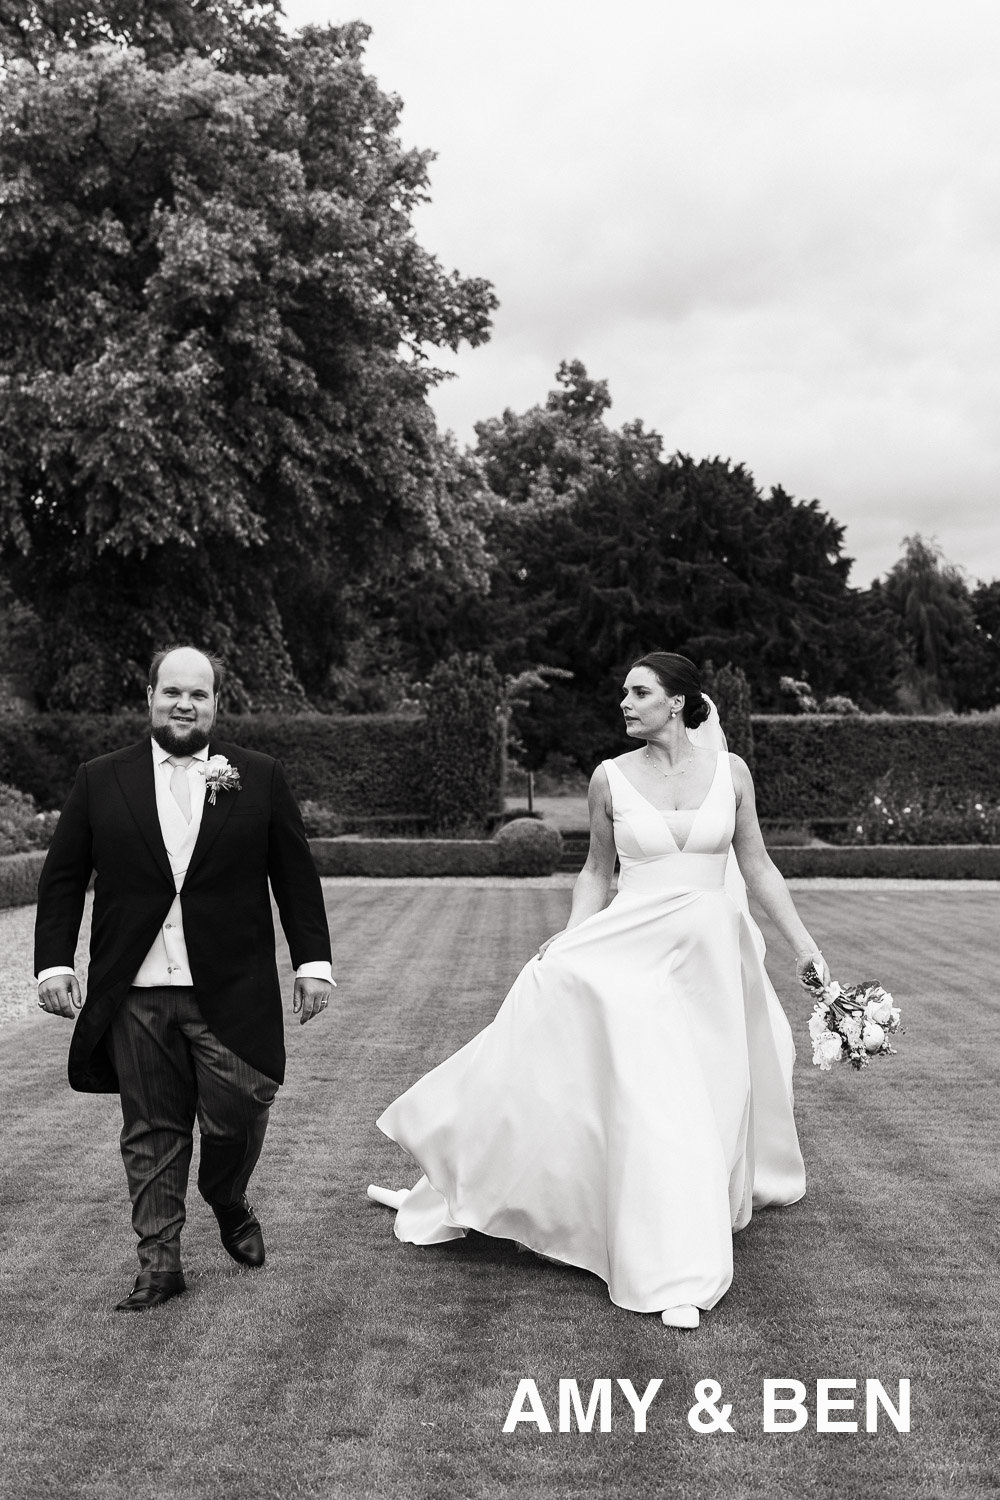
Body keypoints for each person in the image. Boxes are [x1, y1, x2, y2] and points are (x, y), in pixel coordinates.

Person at [370, 652, 829, 1329]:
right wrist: (570, 939)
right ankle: (676, 1272)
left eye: (639, 692)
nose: (624, 702)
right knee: (652, 1098)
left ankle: (682, 1224)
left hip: (709, 966)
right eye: (624, 692)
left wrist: (804, 947)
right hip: (631, 951)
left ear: (677, 702)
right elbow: (594, 872)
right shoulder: (608, 779)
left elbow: (756, 864)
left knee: (711, 1102)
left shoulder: (731, 774)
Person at [34, 646, 334, 1311]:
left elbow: (295, 877)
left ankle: (226, 1196)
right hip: (135, 994)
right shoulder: (100, 779)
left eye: (198, 694)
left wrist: (312, 963)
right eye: (172, 692)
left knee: (242, 1106)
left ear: (215, 704)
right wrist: (54, 962)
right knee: (152, 1130)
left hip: (230, 989)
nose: (184, 704)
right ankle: (160, 1266)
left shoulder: (256, 776)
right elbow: (60, 881)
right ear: (149, 697)